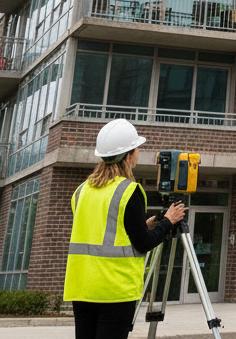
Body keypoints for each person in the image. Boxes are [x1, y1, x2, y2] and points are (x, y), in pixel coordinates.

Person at [64, 119, 186, 339]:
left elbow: (102, 229)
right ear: (129, 155)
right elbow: (143, 244)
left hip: (82, 288)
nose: (138, 153)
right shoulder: (129, 191)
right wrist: (168, 220)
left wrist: (143, 225)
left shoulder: (81, 191)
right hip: (114, 290)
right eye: (137, 148)